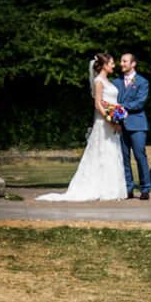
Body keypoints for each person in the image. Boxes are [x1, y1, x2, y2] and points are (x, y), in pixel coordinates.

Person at [36, 53, 128, 202]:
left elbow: (108, 102)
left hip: (112, 121)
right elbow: (98, 103)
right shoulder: (99, 81)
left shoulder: (107, 81)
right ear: (104, 65)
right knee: (102, 152)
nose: (113, 65)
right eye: (111, 63)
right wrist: (110, 120)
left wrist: (118, 112)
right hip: (103, 123)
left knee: (112, 152)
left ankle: (111, 189)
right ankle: (99, 189)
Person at [114, 51, 151, 199]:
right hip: (120, 126)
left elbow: (140, 102)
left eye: (124, 61)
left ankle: (145, 188)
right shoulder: (116, 82)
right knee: (124, 158)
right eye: (121, 61)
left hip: (138, 125)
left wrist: (120, 106)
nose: (121, 64)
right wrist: (116, 119)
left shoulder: (142, 82)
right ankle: (128, 188)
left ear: (133, 64)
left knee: (140, 157)